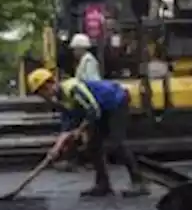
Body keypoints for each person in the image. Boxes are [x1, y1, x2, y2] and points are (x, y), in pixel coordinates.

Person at [26, 67, 148, 197]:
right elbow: (67, 125)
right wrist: (56, 149)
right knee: (93, 145)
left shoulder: (73, 89)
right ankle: (103, 184)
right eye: (40, 94)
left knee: (117, 143)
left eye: (43, 91)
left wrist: (80, 130)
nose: (44, 96)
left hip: (115, 101)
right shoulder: (60, 100)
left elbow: (93, 111)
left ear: (51, 83)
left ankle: (139, 183)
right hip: (101, 109)